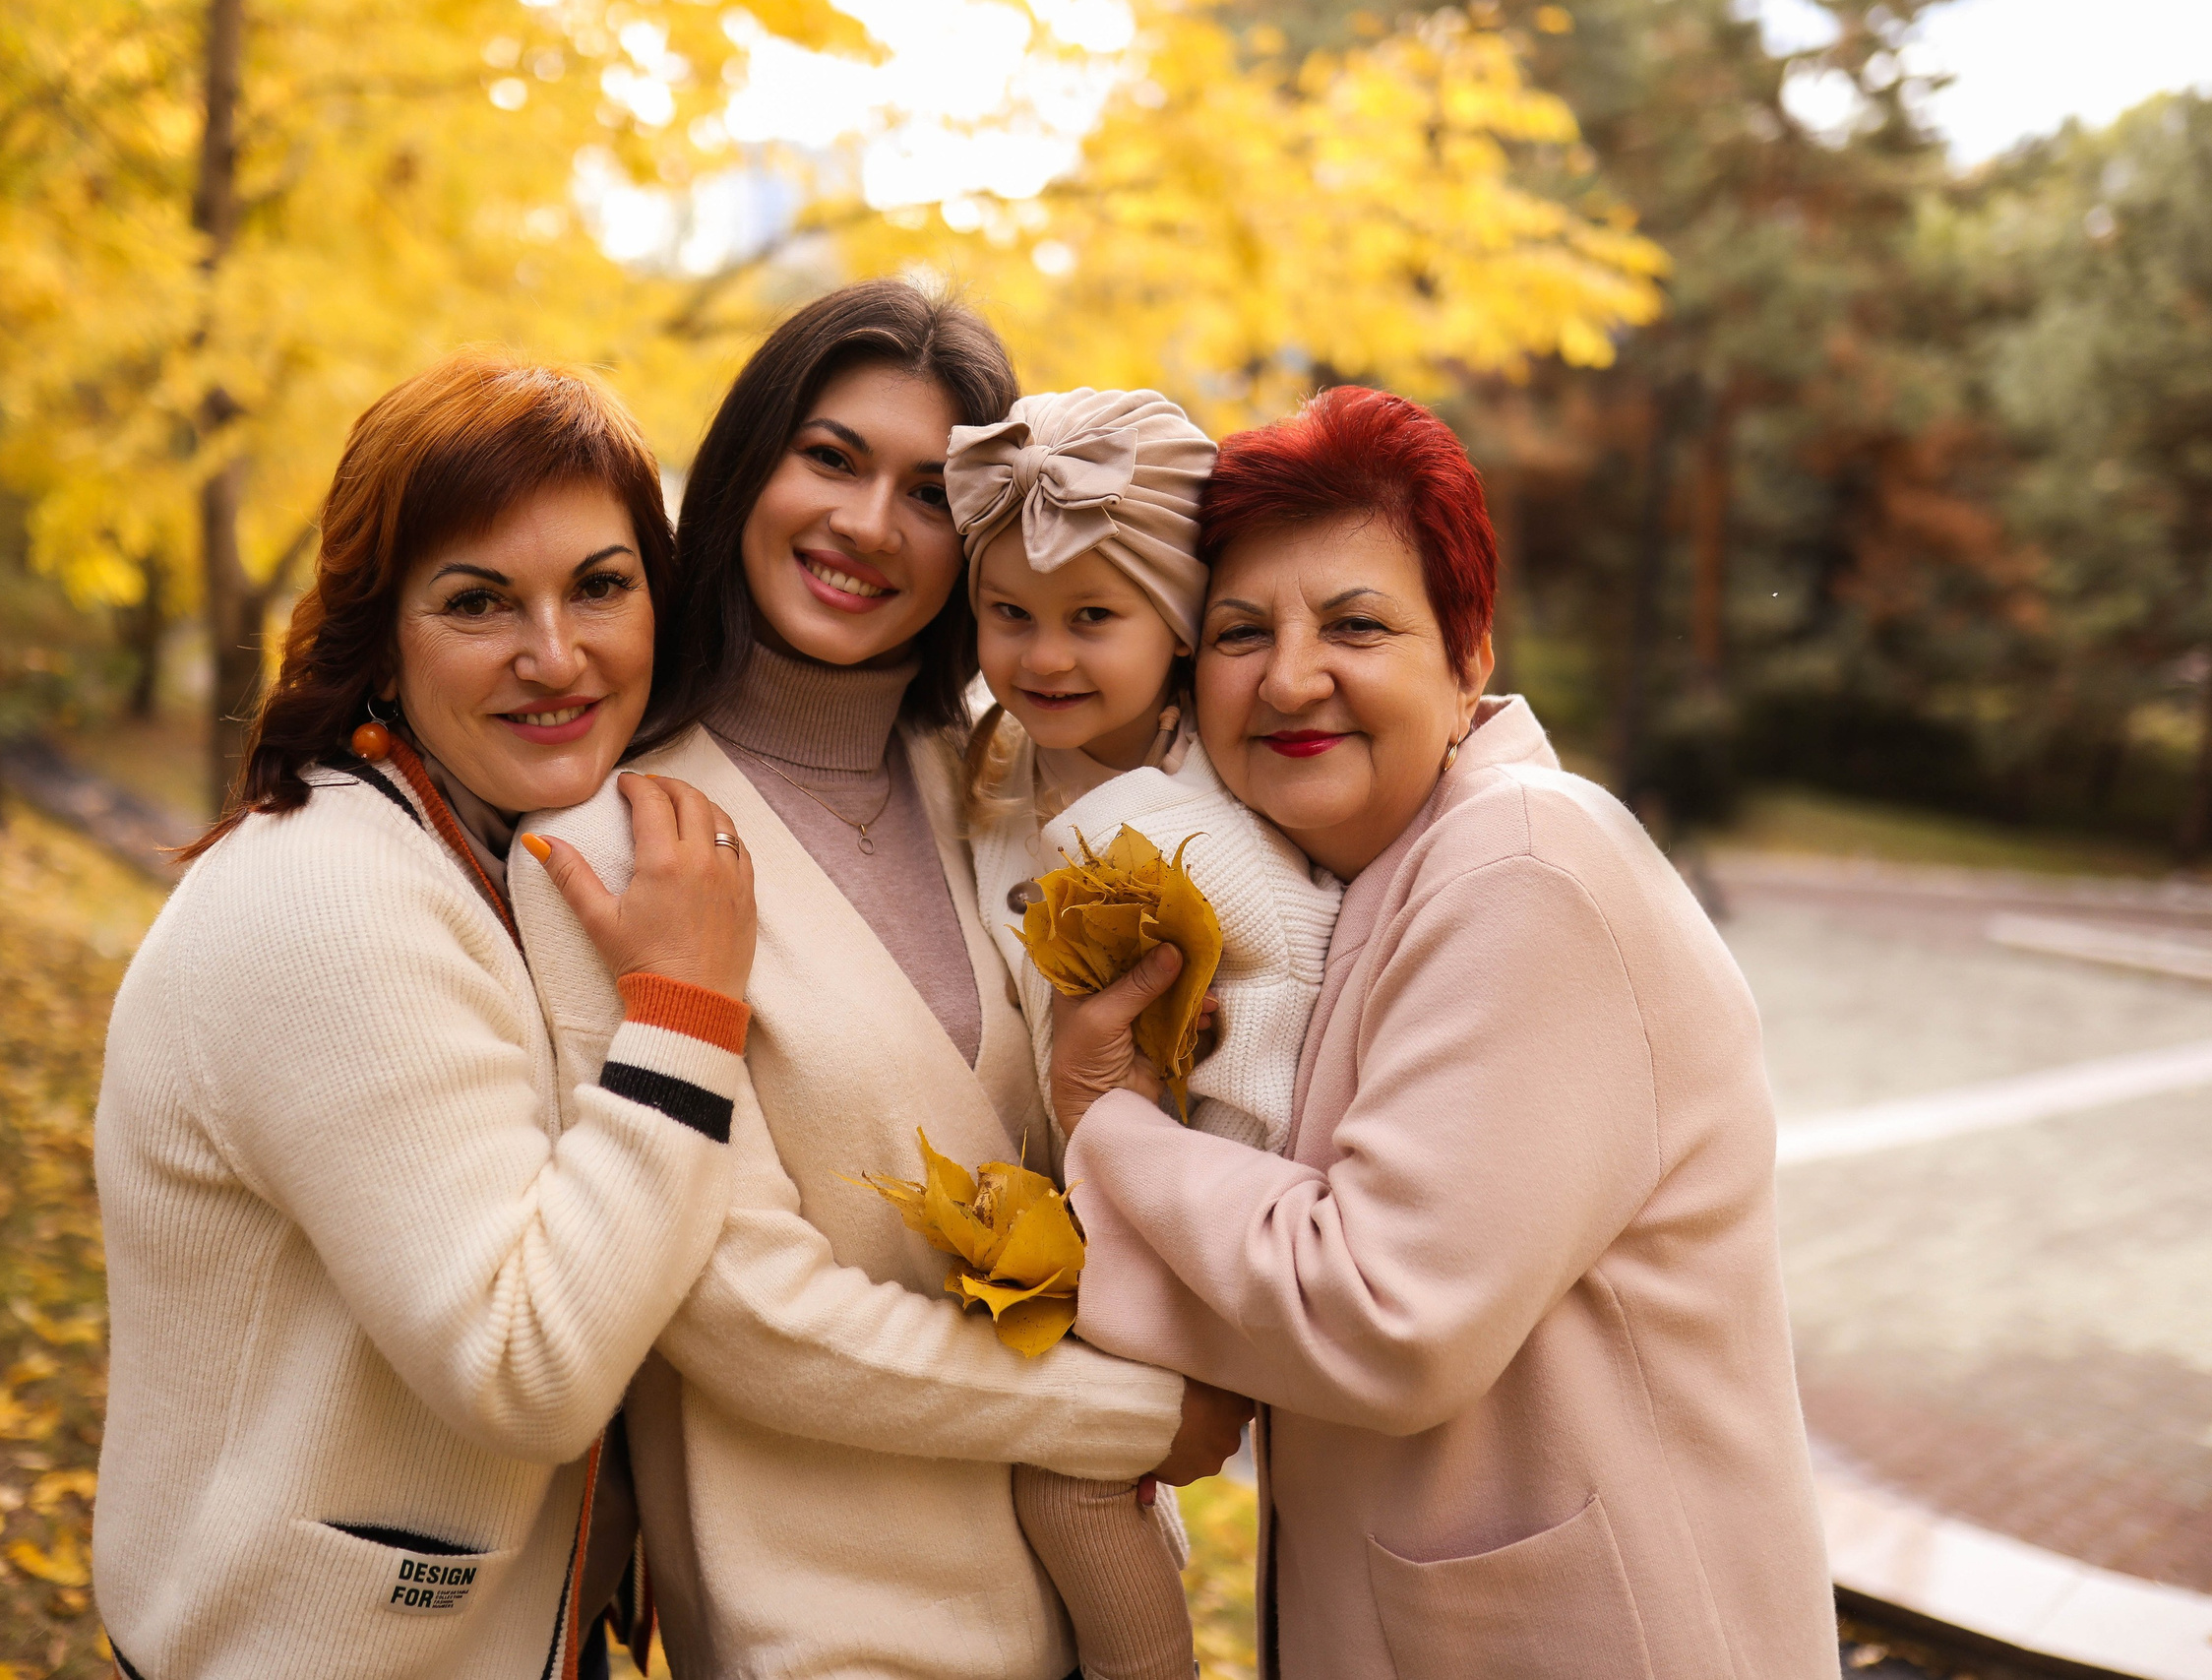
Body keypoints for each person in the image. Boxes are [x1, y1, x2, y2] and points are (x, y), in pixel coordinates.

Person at [1045, 387, 1841, 1678]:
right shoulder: (1336, 888)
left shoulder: (1527, 868)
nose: (1292, 676)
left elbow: (1381, 1313)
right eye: (1242, 632)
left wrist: (1107, 1126)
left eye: (1355, 625)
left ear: (1468, 658)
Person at [525, 281, 1252, 1679]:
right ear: (747, 471)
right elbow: (737, 1314)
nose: (868, 525)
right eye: (831, 457)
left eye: (930, 491)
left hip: (1097, 1605)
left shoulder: (1006, 788)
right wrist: (1126, 1415)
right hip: (837, 1632)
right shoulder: (612, 846)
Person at [92, 353, 759, 1680]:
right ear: (380, 636)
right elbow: (526, 1368)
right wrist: (687, 1012)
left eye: (602, 587)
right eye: (478, 602)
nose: (555, 654)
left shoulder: (475, 844)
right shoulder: (331, 897)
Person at [945, 386, 1342, 1680]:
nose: (1044, 656)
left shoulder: (1205, 826)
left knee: (1070, 1485)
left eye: (1091, 620)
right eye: (1009, 615)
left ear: (1176, 626)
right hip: (1081, 1217)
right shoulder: (1001, 771)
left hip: (1195, 1225)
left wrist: (1219, 1312)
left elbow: (1278, 1013)